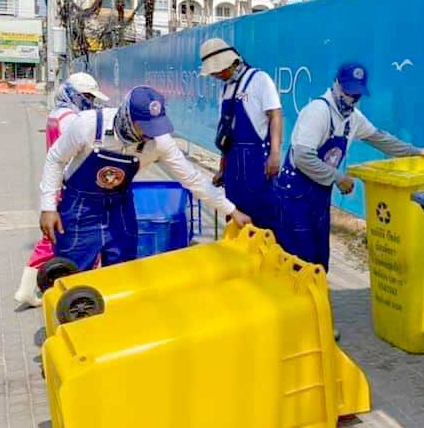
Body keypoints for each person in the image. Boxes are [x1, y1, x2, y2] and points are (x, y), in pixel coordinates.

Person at [39, 85, 251, 272]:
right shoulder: (88, 125)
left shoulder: (160, 142)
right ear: (127, 118)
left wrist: (231, 211)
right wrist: (48, 207)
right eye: (145, 127)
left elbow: (192, 179)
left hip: (119, 208)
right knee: (74, 275)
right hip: (80, 208)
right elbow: (56, 159)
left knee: (122, 271)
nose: (151, 134)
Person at [275, 62, 424, 270]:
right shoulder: (318, 112)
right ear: (336, 85)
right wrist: (338, 177)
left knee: (318, 262)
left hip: (318, 196)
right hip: (294, 195)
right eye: (347, 92)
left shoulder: (353, 119)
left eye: (356, 94)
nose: (351, 98)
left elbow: (380, 139)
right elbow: (303, 157)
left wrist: (415, 151)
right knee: (296, 261)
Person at [14, 72, 108, 306]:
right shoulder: (71, 119)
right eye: (87, 96)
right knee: (56, 237)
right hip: (68, 185)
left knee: (56, 235)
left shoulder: (56, 114)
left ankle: (32, 287)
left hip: (58, 183)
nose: (90, 101)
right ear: (74, 94)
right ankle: (27, 289)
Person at [199, 38, 283, 230]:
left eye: (217, 71)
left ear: (229, 63)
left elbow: (275, 115)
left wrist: (275, 153)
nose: (216, 76)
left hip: (257, 164)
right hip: (232, 166)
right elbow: (225, 135)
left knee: (262, 220)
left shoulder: (259, 79)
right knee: (235, 218)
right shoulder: (225, 88)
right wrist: (222, 169)